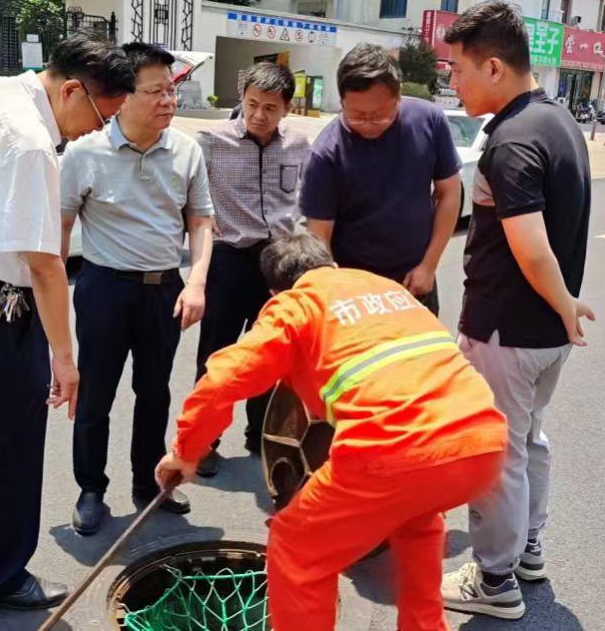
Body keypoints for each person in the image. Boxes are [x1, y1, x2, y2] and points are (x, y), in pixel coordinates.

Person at [155, 233, 508, 631]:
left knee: (296, 547)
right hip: (482, 440)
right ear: (332, 265)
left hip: (393, 449)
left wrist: (187, 451)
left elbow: (224, 379)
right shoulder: (383, 288)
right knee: (417, 523)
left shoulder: (296, 304)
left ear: (274, 292)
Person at [0, 35, 133, 609]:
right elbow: (45, 266)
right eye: (102, 117)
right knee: (11, 450)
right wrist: (64, 359)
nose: (97, 132)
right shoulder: (30, 144)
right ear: (71, 90)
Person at [439, 1, 595, 620]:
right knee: (528, 440)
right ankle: (527, 548)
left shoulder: (511, 141)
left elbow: (531, 248)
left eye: (458, 69)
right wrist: (565, 309)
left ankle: (495, 579)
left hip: (506, 330)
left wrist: (565, 306)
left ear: (494, 68)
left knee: (495, 452)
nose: (453, 81)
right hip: (545, 335)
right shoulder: (558, 121)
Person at [61, 42, 215, 536]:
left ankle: (149, 484)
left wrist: (196, 282)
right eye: (155, 92)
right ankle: (91, 488)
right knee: (95, 395)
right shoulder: (85, 151)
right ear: (124, 95)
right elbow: (60, 229)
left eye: (172, 90)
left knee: (154, 393)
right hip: (104, 288)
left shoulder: (186, 150)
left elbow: (201, 221)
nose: (168, 101)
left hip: (163, 289)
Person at [191, 62, 310, 477]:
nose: (259, 115)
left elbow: (306, 196)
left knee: (272, 354)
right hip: (229, 259)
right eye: (252, 104)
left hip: (278, 262)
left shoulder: (298, 144)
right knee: (217, 355)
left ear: (287, 108)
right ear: (241, 99)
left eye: (270, 108)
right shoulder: (211, 141)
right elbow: (189, 199)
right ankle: (204, 440)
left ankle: (260, 432)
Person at [299, 43, 462, 315]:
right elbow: (320, 236)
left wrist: (429, 266)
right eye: (357, 116)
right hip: (355, 292)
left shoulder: (429, 121)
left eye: (379, 115)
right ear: (342, 103)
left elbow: (449, 193)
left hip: (415, 282)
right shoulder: (325, 154)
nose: (368, 124)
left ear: (398, 97)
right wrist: (334, 290)